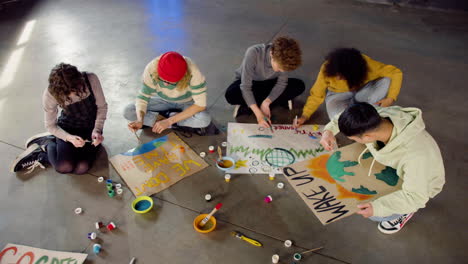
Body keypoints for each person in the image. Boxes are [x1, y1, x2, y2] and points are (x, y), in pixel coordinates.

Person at [320, 102, 445, 234]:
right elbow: (347, 114)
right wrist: (329, 131)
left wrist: (377, 208)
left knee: (376, 214)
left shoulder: (416, 157)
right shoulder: (375, 115)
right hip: (396, 163)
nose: (354, 141)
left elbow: (416, 197)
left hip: (422, 183)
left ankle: (405, 213)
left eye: (354, 139)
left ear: (368, 137)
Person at [10, 63, 108, 174]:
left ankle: (53, 143)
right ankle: (44, 148)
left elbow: (102, 107)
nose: (76, 96)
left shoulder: (91, 79)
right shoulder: (50, 95)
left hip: (91, 127)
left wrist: (97, 130)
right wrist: (68, 137)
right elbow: (50, 125)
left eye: (78, 90)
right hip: (68, 128)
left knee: (81, 168)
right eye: (69, 96)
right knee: (64, 167)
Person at [294, 48, 403, 127]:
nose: (337, 78)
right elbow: (317, 95)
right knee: (340, 121)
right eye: (335, 74)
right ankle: (361, 109)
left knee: (386, 81)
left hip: (362, 91)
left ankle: (359, 107)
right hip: (337, 96)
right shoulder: (327, 68)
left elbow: (396, 72)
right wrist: (305, 115)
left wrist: (390, 98)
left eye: (341, 76)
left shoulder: (368, 65)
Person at [124, 51, 217, 136]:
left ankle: (162, 120)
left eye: (170, 82)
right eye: (162, 79)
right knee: (128, 111)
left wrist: (169, 121)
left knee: (204, 119)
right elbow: (143, 97)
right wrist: (140, 120)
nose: (165, 84)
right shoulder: (151, 68)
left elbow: (200, 105)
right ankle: (176, 120)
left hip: (187, 103)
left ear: (183, 77)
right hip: (162, 101)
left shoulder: (194, 72)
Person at [225, 36, 305, 128]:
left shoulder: (285, 61)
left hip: (270, 84)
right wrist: (259, 115)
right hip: (252, 83)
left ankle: (251, 103)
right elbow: (245, 86)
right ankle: (262, 103)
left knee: (299, 85)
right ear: (271, 54)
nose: (282, 71)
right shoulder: (253, 53)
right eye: (279, 68)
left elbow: (281, 83)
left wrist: (267, 102)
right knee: (231, 94)